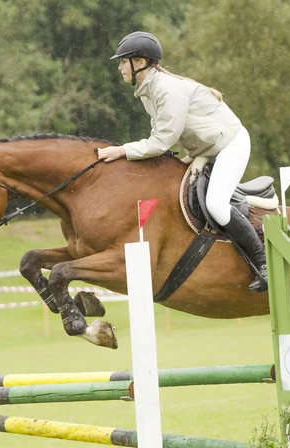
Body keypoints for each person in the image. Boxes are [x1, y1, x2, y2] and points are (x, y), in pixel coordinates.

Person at [97, 31, 267, 291]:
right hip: (206, 149)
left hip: (230, 145)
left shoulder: (166, 90)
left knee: (217, 205)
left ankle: (263, 262)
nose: (119, 67)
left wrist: (121, 151)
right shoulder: (148, 90)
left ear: (140, 63)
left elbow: (161, 142)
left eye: (123, 61)